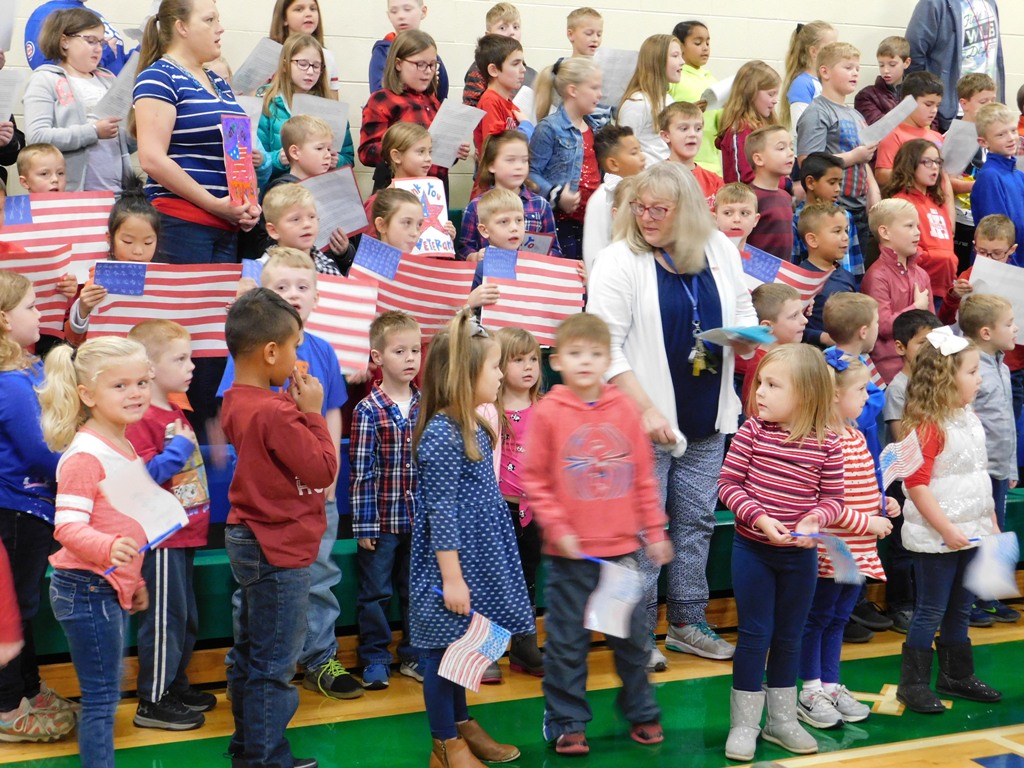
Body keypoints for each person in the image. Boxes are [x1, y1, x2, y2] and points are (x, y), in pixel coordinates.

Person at [587, 163, 757, 671]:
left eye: (659, 209)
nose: (646, 217)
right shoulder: (618, 259)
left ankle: (686, 622)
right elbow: (604, 347)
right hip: (639, 423)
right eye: (640, 207)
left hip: (706, 416)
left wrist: (749, 336)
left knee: (696, 522)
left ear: (687, 211)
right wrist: (646, 410)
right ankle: (634, 637)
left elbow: (743, 311)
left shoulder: (719, 248)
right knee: (641, 532)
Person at [524, 313, 671, 756]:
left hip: (622, 555)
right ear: (557, 361)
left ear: (608, 360)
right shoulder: (548, 412)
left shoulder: (624, 409)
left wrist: (655, 531)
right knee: (567, 644)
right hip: (570, 559)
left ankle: (642, 711)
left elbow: (643, 477)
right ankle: (568, 721)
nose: (585, 361)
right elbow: (536, 480)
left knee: (633, 640)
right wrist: (558, 526)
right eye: (575, 353)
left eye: (595, 354)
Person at [219, 250, 359, 703]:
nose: (294, 294)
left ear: (318, 295)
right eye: (282, 287)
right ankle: (249, 673)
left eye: (303, 286)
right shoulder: (252, 366)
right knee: (259, 595)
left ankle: (319, 657)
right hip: (273, 507)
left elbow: (331, 413)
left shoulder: (323, 351)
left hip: (313, 493)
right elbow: (243, 419)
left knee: (319, 576)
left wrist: (329, 474)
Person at [220, 287, 338, 768]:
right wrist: (312, 413)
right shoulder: (276, 411)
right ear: (271, 352)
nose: (296, 357)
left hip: (250, 535)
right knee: (274, 662)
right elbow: (323, 470)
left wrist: (295, 412)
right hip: (277, 543)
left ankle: (248, 744)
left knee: (250, 651)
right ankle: (266, 758)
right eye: (293, 347)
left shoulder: (238, 399)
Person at [409, 311, 533, 767]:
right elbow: (441, 513)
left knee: (462, 645)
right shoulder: (442, 435)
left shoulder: (473, 425)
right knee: (442, 651)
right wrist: (452, 579)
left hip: (475, 558)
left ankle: (460, 723)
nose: (501, 376)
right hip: (452, 565)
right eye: (495, 367)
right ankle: (444, 743)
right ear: (465, 375)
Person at [719, 343, 844, 760]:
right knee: (755, 635)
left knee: (790, 637)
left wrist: (814, 521)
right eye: (761, 383)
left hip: (799, 558)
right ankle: (744, 724)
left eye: (773, 385)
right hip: (753, 551)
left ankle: (782, 720)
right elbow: (728, 485)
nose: (760, 393)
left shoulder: (828, 444)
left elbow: (834, 500)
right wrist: (758, 518)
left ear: (806, 395)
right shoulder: (752, 432)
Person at [37, 337, 154, 768]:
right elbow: (68, 527)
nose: (135, 393)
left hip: (105, 586)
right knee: (102, 699)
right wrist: (109, 549)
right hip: (86, 589)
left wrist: (133, 579)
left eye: (141, 382)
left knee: (106, 695)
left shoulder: (123, 444)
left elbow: (122, 519)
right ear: (87, 395)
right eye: (120, 385)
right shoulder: (86, 455)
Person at [895, 329, 1001, 713]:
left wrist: (990, 520)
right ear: (945, 379)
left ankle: (956, 674)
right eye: (972, 372)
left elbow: (978, 474)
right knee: (931, 609)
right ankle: (913, 683)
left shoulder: (968, 418)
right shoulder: (927, 426)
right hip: (937, 536)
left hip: (971, 530)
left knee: (961, 605)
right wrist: (945, 528)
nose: (980, 379)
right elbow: (916, 485)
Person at [797, 351, 898, 730]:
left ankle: (830, 684)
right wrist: (868, 521)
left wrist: (883, 503)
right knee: (818, 617)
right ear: (836, 395)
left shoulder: (855, 436)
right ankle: (810, 690)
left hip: (858, 547)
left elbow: (864, 484)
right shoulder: (821, 441)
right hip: (832, 548)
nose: (868, 397)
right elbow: (825, 505)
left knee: (839, 616)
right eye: (861, 390)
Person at [125, 321, 214, 731]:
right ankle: (153, 699)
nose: (191, 366)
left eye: (190, 357)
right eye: (180, 359)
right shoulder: (141, 417)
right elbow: (144, 476)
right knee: (164, 619)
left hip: (186, 532)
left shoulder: (175, 408)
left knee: (184, 616)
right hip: (162, 537)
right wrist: (178, 450)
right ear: (149, 368)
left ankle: (174, 685)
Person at [0, 270, 76, 743]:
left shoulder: (28, 368)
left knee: (23, 606)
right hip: (14, 510)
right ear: (4, 320)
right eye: (31, 306)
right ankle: (8, 707)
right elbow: (41, 450)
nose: (40, 313)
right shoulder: (9, 382)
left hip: (31, 508)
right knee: (10, 609)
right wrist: (86, 462)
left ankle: (28, 689)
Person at [132, 0, 261, 264]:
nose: (220, 28)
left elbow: (238, 154)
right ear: (182, 27)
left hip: (226, 225)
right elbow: (152, 159)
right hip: (181, 223)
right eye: (209, 20)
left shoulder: (218, 83)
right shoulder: (158, 77)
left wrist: (248, 203)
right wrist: (213, 204)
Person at [350, 311, 424, 690]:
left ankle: (414, 655)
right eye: (400, 351)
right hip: (381, 521)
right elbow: (362, 471)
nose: (410, 358)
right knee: (376, 592)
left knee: (416, 590)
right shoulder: (367, 410)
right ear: (377, 357)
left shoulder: (426, 405)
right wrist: (364, 524)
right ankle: (375, 656)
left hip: (419, 519)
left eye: (415, 350)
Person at [22, 8, 133, 193]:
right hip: (74, 194)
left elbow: (124, 144)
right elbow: (37, 138)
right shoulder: (45, 79)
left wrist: (137, 129)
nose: (98, 48)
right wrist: (93, 131)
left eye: (101, 42)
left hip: (117, 193)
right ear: (64, 41)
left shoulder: (108, 79)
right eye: (90, 41)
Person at [958, 294, 1020, 624]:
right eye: (1009, 324)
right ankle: (965, 601)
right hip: (976, 471)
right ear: (986, 332)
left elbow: (1006, 421)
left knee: (994, 532)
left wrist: (1010, 466)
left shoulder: (1003, 367)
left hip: (998, 469)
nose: (1016, 329)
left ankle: (987, 596)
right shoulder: (971, 370)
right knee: (975, 532)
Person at [882, 309, 942, 633]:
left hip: (928, 477)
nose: (930, 349)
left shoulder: (936, 385)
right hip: (903, 480)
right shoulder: (898, 388)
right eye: (922, 342)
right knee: (902, 546)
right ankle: (901, 605)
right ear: (901, 347)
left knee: (924, 542)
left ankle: (923, 602)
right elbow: (900, 437)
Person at [797, 42, 881, 259]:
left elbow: (863, 160)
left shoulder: (856, 115)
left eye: (857, 69)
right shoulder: (817, 112)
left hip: (859, 210)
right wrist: (854, 156)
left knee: (856, 274)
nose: (855, 73)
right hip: (831, 211)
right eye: (848, 67)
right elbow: (808, 162)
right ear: (825, 72)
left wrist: (874, 193)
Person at [494, 327, 545, 677]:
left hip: (534, 511)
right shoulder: (490, 409)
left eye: (533, 359)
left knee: (527, 575)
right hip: (501, 510)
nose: (528, 367)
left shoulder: (545, 408)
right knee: (495, 577)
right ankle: (487, 648)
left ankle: (524, 644)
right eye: (517, 360)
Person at [359, 30, 468, 193]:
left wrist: (453, 150)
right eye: (420, 64)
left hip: (434, 189)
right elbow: (366, 152)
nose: (428, 71)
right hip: (398, 190)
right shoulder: (382, 100)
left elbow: (439, 160)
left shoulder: (433, 102)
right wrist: (406, 149)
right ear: (398, 64)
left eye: (432, 65)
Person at [65, 184, 161, 347]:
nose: (138, 251)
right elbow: (74, 339)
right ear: (109, 239)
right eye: (128, 241)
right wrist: (83, 309)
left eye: (148, 242)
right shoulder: (96, 281)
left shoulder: (162, 280)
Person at [528, 57, 602, 260]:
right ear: (573, 91)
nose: (600, 94)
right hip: (560, 222)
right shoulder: (549, 128)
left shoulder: (594, 127)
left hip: (590, 222)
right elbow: (530, 173)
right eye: (594, 88)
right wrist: (557, 196)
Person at [256, 34, 354, 182]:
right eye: (302, 64)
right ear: (285, 65)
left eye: (316, 66)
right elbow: (257, 158)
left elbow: (349, 159)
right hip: (282, 188)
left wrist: (338, 161)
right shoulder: (268, 102)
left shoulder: (331, 108)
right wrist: (278, 159)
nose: (310, 72)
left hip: (321, 187)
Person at [460, 130, 560, 260]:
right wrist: (474, 257)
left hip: (529, 271)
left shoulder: (540, 205)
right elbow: (464, 248)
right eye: (510, 160)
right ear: (491, 165)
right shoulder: (476, 206)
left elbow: (555, 249)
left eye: (524, 160)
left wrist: (540, 258)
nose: (519, 166)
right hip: (489, 271)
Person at [861, 199, 932, 383]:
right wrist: (917, 307)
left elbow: (933, 325)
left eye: (917, 226)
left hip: (922, 368)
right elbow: (883, 326)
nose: (917, 232)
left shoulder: (922, 274)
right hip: (889, 373)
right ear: (885, 232)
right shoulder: (877, 276)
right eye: (909, 226)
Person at [906, 0, 1004, 131]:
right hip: (952, 111)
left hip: (987, 110)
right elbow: (914, 55)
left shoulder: (989, 3)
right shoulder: (934, 3)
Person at [885, 139, 957, 303]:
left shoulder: (937, 202)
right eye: (927, 162)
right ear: (909, 165)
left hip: (943, 286)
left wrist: (950, 260)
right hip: (916, 288)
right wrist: (941, 258)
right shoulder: (901, 202)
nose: (935, 167)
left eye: (937, 162)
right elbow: (900, 249)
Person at [582, 124, 645, 273]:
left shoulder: (645, 191)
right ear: (613, 164)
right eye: (634, 153)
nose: (643, 157)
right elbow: (594, 246)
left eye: (640, 150)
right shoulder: (602, 198)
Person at [737, 283, 808, 413]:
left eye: (802, 313)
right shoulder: (761, 366)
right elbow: (755, 413)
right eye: (794, 316)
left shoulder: (786, 358)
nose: (805, 320)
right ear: (767, 327)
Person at [617, 34, 683, 167]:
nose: (682, 61)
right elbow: (622, 150)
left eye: (681, 56)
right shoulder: (637, 102)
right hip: (646, 176)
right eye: (675, 56)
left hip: (667, 174)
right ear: (657, 61)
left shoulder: (668, 99)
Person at [792, 152, 863, 277]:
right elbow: (794, 265)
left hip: (846, 285)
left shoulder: (846, 216)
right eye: (832, 182)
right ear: (810, 182)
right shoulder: (796, 221)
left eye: (839, 183)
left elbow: (856, 262)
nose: (838, 189)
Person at [532, 7, 607, 126]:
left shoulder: (603, 69)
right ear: (571, 34)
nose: (595, 39)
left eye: (599, 34)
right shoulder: (562, 71)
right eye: (589, 33)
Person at [970, 103, 1024, 263]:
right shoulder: (990, 177)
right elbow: (997, 237)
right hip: (1001, 267)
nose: (1011, 138)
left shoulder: (1018, 175)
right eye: (1001, 134)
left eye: (1013, 130)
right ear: (983, 142)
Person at [874, 71, 947, 189]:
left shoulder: (937, 137)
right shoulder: (894, 135)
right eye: (928, 104)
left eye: (937, 105)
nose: (934, 110)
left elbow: (945, 178)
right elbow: (882, 175)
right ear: (908, 102)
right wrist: (916, 175)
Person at [797, 203, 856, 348]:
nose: (845, 237)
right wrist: (822, 337)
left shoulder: (847, 276)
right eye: (837, 231)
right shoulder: (801, 279)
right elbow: (789, 325)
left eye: (846, 230)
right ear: (812, 240)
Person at [716, 60, 783, 185]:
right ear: (751, 93)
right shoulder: (740, 129)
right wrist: (785, 185)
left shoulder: (765, 126)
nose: (775, 100)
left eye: (776, 95)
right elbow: (744, 177)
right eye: (771, 94)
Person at [668, 19, 721, 174]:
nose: (705, 48)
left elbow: (719, 125)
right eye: (698, 43)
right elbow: (662, 117)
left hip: (713, 165)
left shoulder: (712, 79)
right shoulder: (674, 77)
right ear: (680, 46)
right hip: (683, 165)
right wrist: (689, 112)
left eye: (708, 43)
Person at [25, 0, 135, 74]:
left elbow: (117, 62)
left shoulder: (91, 15)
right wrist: (104, 56)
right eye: (91, 41)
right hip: (83, 98)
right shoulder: (47, 14)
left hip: (115, 96)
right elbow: (48, 69)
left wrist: (142, 51)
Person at [369, 0, 450, 101]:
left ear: (423, 12)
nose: (401, 16)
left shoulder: (432, 55)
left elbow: (442, 97)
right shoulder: (383, 52)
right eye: (394, 11)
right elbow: (378, 96)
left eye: (407, 9)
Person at [463, 3, 536, 109]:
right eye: (502, 28)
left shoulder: (528, 72)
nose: (511, 32)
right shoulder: (478, 70)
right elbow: (471, 111)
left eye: (516, 27)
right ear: (488, 35)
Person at [472, 35, 528, 158]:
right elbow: (497, 150)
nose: (523, 69)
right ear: (493, 70)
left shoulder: (510, 104)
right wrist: (526, 128)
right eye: (515, 64)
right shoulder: (490, 101)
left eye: (522, 63)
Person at [660, 101, 724, 210]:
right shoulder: (655, 179)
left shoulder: (715, 182)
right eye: (684, 129)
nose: (693, 134)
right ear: (666, 135)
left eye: (698, 129)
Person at [268, 0, 342, 93]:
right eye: (299, 9)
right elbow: (254, 96)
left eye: (313, 9)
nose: (308, 14)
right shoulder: (269, 54)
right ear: (284, 18)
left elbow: (332, 99)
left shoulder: (327, 57)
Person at [746, 125, 795, 259]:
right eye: (781, 148)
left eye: (791, 147)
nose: (790, 153)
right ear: (758, 159)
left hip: (782, 271)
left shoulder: (786, 196)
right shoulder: (749, 198)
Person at [780, 21, 836, 133]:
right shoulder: (802, 84)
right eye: (830, 47)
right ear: (814, 51)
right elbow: (802, 129)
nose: (835, 52)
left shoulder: (825, 81)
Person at [855, 36, 911, 126]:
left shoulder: (918, 93)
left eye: (892, 64)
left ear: (906, 63)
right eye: (881, 65)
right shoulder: (866, 96)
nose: (885, 70)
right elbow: (880, 127)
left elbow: (931, 124)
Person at [712, 181, 760, 251]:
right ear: (715, 219)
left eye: (744, 213)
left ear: (755, 220)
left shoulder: (764, 257)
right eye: (728, 213)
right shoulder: (701, 256)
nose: (737, 219)